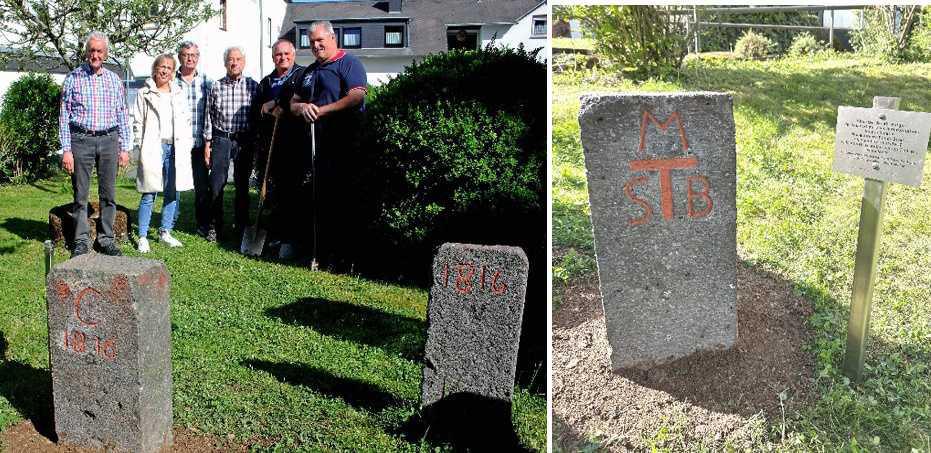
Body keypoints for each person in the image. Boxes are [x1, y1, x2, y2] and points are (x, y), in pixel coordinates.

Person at [289, 20, 367, 266]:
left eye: (320, 40)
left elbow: (356, 96)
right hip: (314, 145)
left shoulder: (349, 63)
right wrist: (302, 107)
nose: (316, 45)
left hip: (343, 142)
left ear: (333, 38)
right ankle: (319, 252)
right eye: (312, 42)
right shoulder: (309, 71)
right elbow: (294, 103)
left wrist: (322, 111)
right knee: (317, 198)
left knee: (342, 200)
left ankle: (344, 258)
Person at [58, 31, 131, 257]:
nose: (95, 55)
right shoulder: (73, 78)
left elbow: (122, 114)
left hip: (109, 140)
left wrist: (125, 147)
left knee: (108, 193)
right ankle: (80, 239)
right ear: (86, 52)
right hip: (81, 140)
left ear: (106, 54)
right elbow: (64, 116)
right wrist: (66, 150)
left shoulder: (114, 80)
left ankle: (106, 239)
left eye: (99, 51)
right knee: (80, 194)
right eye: (92, 50)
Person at [131, 54, 194, 253]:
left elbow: (186, 121)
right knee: (149, 191)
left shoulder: (179, 93)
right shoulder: (144, 93)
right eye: (161, 67)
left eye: (169, 67)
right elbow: (137, 122)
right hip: (153, 147)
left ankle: (165, 231)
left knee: (172, 191)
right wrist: (141, 146)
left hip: (175, 147)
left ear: (173, 71)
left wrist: (187, 143)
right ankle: (142, 236)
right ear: (155, 69)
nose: (165, 70)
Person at [251, 38, 304, 259]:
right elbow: (256, 109)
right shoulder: (265, 82)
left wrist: (279, 105)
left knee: (292, 192)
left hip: (294, 144)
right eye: (277, 55)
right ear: (273, 57)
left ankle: (291, 238)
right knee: (270, 192)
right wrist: (264, 109)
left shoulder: (302, 75)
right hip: (269, 145)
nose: (282, 58)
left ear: (293, 55)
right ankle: (273, 235)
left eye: (286, 54)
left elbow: (299, 99)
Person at [204, 46, 258, 242]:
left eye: (238, 59)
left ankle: (242, 226)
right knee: (216, 184)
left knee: (242, 185)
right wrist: (208, 144)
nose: (234, 63)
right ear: (225, 62)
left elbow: (257, 117)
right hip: (221, 139)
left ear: (243, 62)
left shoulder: (253, 86)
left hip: (243, 140)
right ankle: (214, 227)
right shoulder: (216, 86)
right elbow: (208, 117)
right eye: (230, 59)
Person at [175, 41, 213, 239]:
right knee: (172, 184)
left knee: (201, 187)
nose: (190, 58)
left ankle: (203, 225)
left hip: (199, 144)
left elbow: (210, 113)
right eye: (186, 55)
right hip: (177, 143)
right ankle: (169, 223)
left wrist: (208, 143)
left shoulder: (207, 81)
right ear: (179, 57)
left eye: (194, 55)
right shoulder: (171, 81)